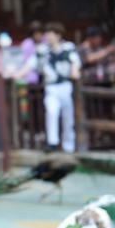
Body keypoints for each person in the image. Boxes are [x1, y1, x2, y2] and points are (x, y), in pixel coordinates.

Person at [37, 21, 80, 154]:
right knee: (51, 112)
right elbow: (33, 64)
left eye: (50, 34)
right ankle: (52, 142)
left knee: (68, 116)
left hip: (65, 85)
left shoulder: (68, 47)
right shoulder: (43, 50)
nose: (48, 37)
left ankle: (69, 145)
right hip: (51, 86)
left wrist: (75, 70)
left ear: (58, 35)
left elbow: (75, 61)